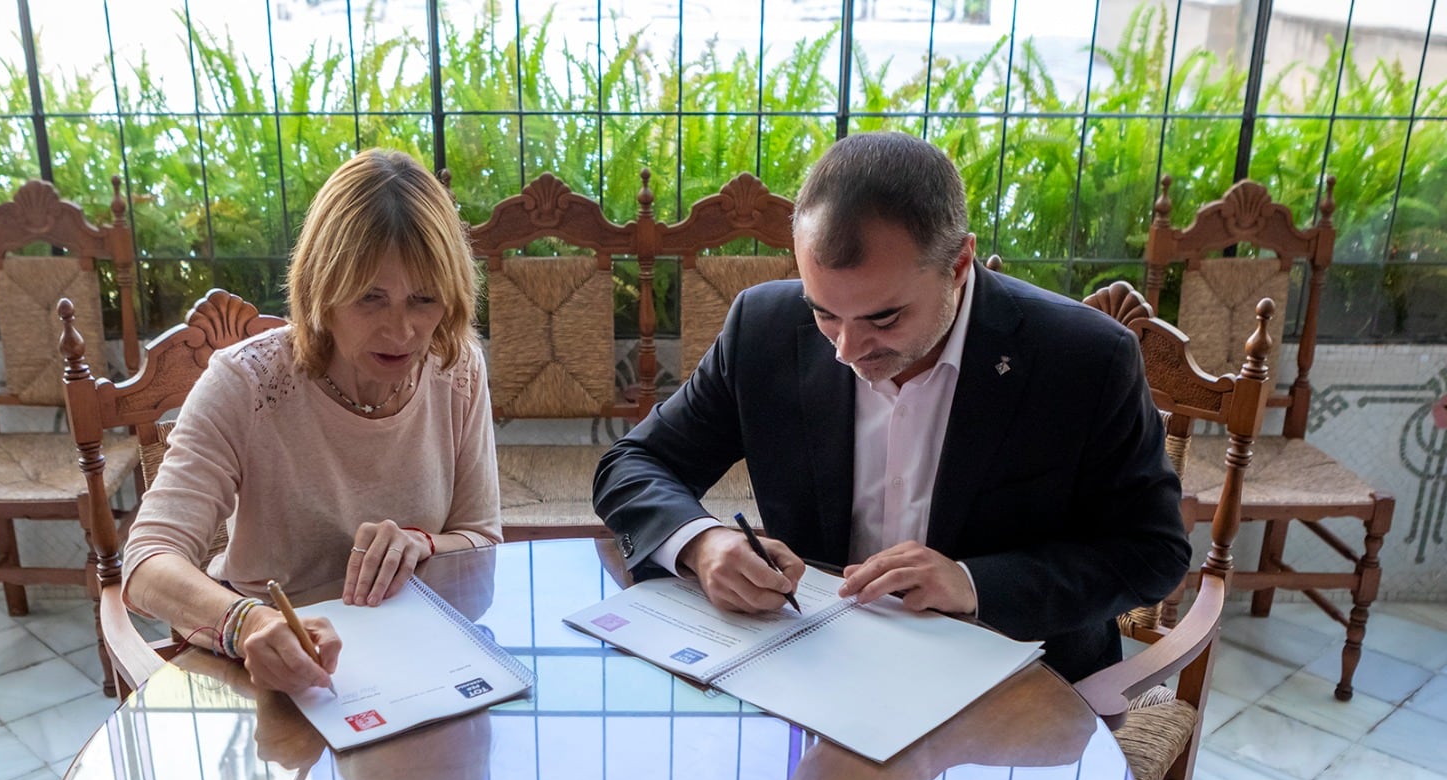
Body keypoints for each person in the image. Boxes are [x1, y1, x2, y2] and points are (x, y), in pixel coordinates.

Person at [593, 131, 1190, 682]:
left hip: (1013, 683)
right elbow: (633, 464)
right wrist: (702, 543)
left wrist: (972, 581)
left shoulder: (1083, 357)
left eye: (884, 317)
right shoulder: (764, 328)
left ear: (958, 266)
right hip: (811, 668)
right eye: (824, 311)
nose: (848, 350)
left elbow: (1152, 552)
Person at [123, 149, 501, 693]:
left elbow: (482, 540)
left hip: (418, 658)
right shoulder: (246, 383)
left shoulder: (456, 367)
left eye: (424, 299)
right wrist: (247, 622)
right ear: (321, 289)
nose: (401, 332)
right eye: (371, 299)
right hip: (276, 671)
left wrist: (424, 543)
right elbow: (146, 564)